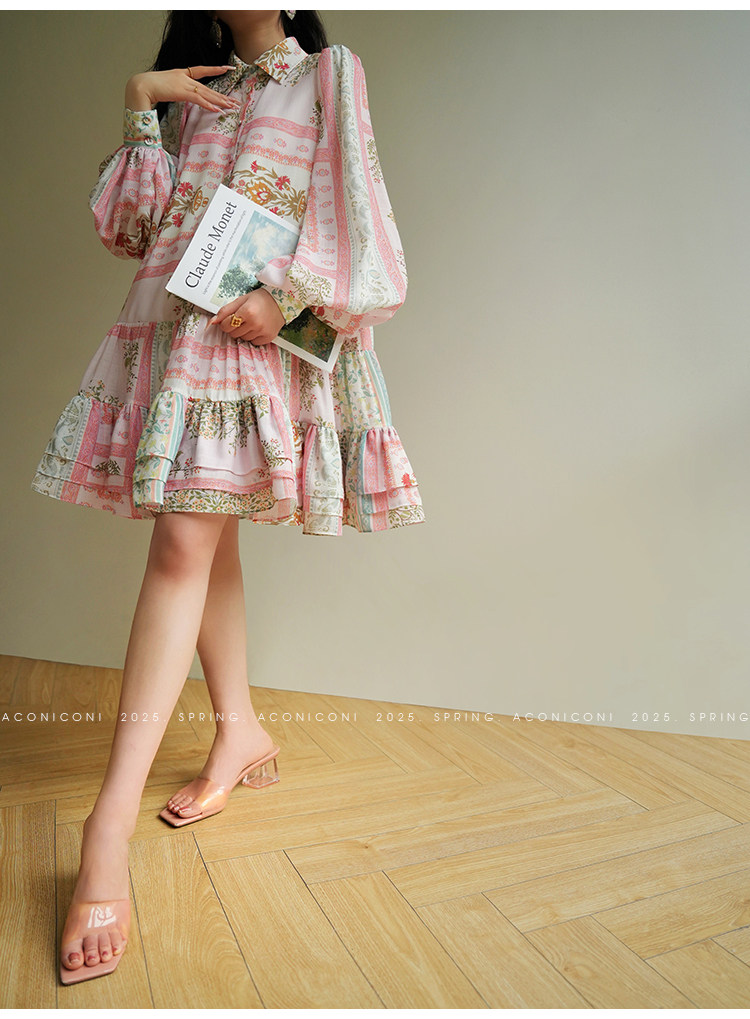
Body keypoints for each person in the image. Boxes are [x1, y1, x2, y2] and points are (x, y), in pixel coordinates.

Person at [31, 10, 424, 985]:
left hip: (251, 338)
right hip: (174, 336)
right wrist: (141, 102)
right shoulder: (190, 93)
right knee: (208, 547)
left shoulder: (328, 75)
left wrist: (284, 298)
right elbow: (133, 233)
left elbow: (362, 219)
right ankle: (240, 726)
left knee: (182, 549)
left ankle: (106, 828)